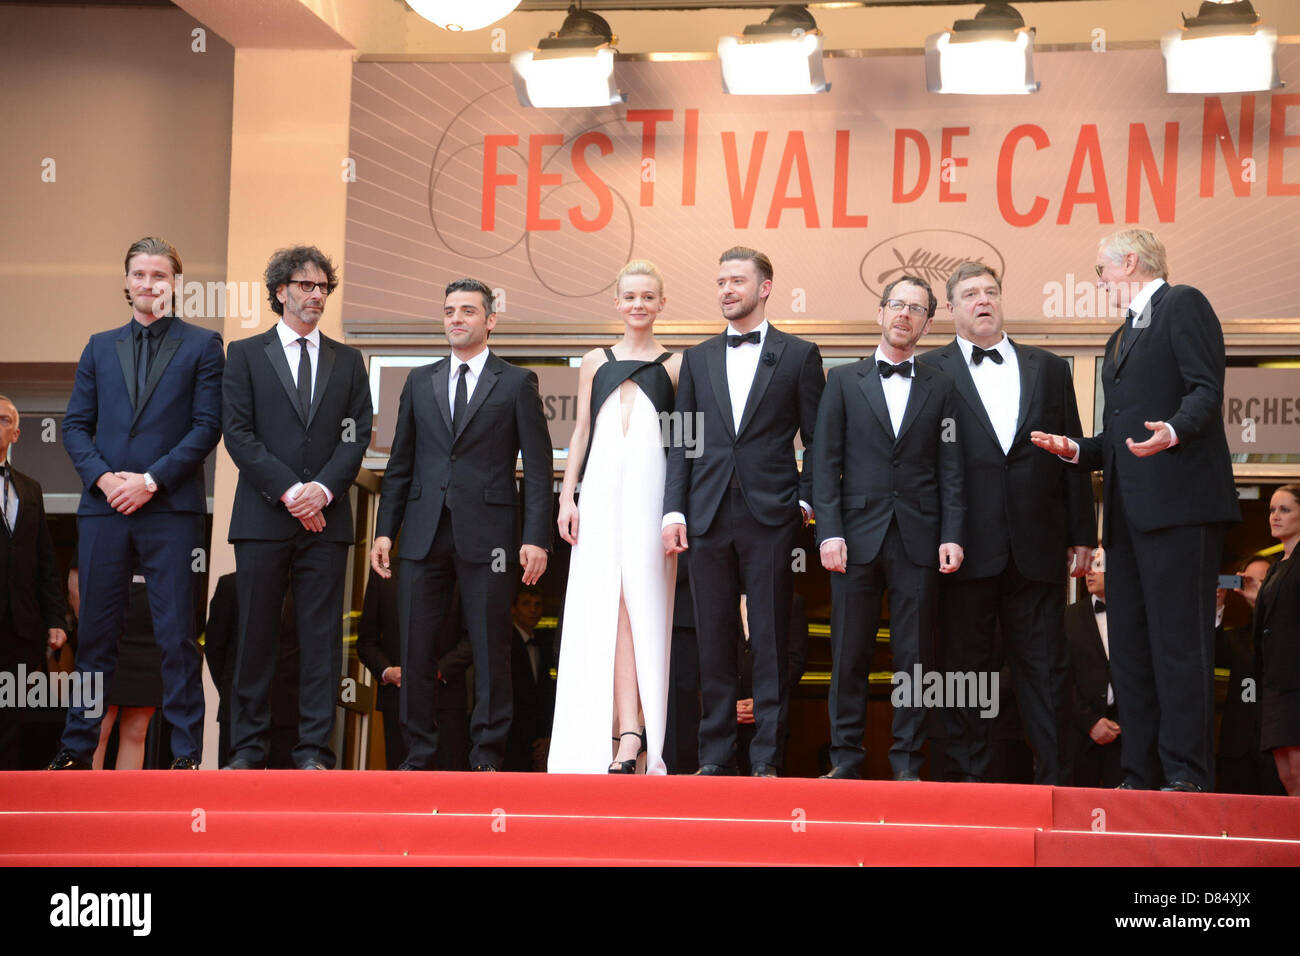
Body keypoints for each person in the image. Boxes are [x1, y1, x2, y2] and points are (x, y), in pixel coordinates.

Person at [1032, 227, 1241, 792]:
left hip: (1181, 508)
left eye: (1102, 271)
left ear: (1129, 261)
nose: (1099, 282)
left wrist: (1172, 431)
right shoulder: (1119, 338)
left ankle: (1186, 775)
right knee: (1131, 651)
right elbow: (1119, 437)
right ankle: (1140, 772)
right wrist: (1076, 449)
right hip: (1125, 518)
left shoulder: (1183, 304)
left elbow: (1205, 390)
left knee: (1179, 645)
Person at [49, 237, 223, 771]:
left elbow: (206, 427)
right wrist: (106, 480)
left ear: (176, 284)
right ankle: (76, 751)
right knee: (96, 637)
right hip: (104, 510)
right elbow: (75, 426)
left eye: (160, 275)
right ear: (126, 281)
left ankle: (186, 757)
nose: (149, 284)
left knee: (175, 637)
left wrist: (149, 480)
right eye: (140, 274)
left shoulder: (203, 345)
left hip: (169, 509)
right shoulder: (98, 346)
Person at [917, 262, 1094, 785]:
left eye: (991, 291)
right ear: (951, 308)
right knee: (964, 670)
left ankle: (1056, 779)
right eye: (970, 293)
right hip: (963, 545)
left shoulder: (1051, 368)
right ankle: (968, 780)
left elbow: (1074, 452)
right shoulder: (928, 370)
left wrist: (1082, 532)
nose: (983, 300)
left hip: (1036, 544)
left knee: (1045, 667)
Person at [371, 277, 553, 772]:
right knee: (416, 643)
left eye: (468, 311)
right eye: (450, 310)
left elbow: (537, 470)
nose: (456, 318)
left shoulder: (516, 383)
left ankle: (487, 755)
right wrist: (385, 528)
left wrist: (536, 537)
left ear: (490, 320)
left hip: (490, 537)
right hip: (423, 532)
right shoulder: (418, 381)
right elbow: (400, 463)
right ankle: (419, 752)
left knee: (493, 647)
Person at [662, 247, 824, 778]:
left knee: (772, 640)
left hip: (771, 513)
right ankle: (713, 758)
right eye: (721, 282)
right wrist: (673, 511)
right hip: (705, 513)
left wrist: (804, 499)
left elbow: (818, 440)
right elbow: (680, 441)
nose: (727, 290)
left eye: (737, 281)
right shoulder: (698, 356)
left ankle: (765, 760)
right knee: (713, 638)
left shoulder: (800, 355)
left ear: (765, 287)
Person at [222, 245, 373, 770]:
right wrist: (292, 493)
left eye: (323, 287)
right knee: (254, 635)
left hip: (326, 523)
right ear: (280, 291)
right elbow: (238, 434)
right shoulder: (243, 354)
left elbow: (356, 438)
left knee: (322, 640)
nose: (316, 295)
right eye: (306, 285)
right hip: (264, 518)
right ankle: (247, 749)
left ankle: (314, 751)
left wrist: (323, 492)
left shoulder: (349, 360)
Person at [813, 274, 964, 780]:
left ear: (927, 322)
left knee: (914, 658)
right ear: (880, 314)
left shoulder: (942, 387)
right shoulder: (841, 381)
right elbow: (823, 462)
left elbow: (951, 466)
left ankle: (906, 763)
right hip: (852, 538)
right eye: (896, 305)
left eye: (916, 309)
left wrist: (952, 533)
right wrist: (828, 531)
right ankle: (846, 759)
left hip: (919, 537)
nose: (904, 314)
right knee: (848, 653)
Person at [550, 260, 680, 775]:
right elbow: (580, 432)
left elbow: (683, 443)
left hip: (652, 499)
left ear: (662, 303)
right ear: (617, 302)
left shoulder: (677, 365)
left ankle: (635, 734)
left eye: (648, 296)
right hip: (599, 495)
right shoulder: (592, 361)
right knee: (601, 609)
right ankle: (608, 736)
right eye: (630, 296)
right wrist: (567, 497)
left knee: (644, 611)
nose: (638, 305)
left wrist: (676, 509)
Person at [0, 396, 68, 769]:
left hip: (21, 626)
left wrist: (55, 618)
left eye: (3, 419)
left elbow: (44, 559)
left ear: (16, 432)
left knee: (12, 716)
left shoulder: (31, 489)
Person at [1065, 548, 1123, 788]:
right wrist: (1090, 722)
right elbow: (1061, 677)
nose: (1089, 572)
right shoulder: (1069, 617)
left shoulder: (1137, 615)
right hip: (1079, 737)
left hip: (1126, 738)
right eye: (1088, 565)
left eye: (1097, 566)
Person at [1257, 485, 1300, 795]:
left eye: (1284, 510)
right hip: (1275, 678)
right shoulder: (1274, 568)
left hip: (1297, 679)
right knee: (1285, 769)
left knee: (1297, 765)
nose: (1275, 516)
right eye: (1272, 509)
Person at [507, 585, 555, 772]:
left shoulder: (544, 645)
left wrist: (546, 736)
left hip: (540, 737)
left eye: (538, 604)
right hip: (512, 737)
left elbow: (546, 693)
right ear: (513, 608)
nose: (533, 609)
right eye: (526, 604)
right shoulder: (505, 644)